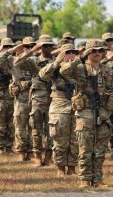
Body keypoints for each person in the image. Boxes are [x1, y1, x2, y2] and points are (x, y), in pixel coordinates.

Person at [60, 39, 113, 188]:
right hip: (85, 112)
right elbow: (63, 71)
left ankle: (98, 179)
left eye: (100, 51)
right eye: (94, 51)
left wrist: (106, 112)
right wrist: (81, 56)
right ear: (88, 53)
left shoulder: (108, 71)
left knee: (99, 150)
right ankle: (84, 179)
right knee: (85, 148)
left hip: (103, 113)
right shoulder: (80, 68)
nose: (98, 53)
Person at [14, 36, 55, 166]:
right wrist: (32, 51)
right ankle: (37, 155)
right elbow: (17, 63)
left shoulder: (55, 61)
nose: (47, 48)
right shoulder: (33, 61)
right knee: (36, 128)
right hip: (37, 98)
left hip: (52, 98)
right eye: (44, 46)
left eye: (49, 46)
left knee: (51, 130)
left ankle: (48, 156)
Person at [39, 44, 79, 176]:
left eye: (74, 52)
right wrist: (56, 62)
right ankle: (60, 167)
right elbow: (43, 76)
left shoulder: (79, 68)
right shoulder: (55, 67)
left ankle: (72, 167)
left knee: (75, 139)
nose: (71, 54)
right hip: (59, 105)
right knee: (60, 139)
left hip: (77, 105)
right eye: (68, 52)